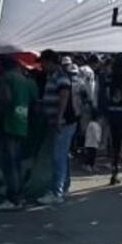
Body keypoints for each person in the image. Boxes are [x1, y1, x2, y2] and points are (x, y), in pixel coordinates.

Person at [0, 56, 33, 211]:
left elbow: (5, 99)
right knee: (17, 162)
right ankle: (19, 196)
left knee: (9, 163)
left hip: (7, 124)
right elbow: (34, 101)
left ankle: (12, 197)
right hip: (21, 123)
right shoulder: (25, 80)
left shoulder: (7, 78)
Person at [37, 50, 75, 205]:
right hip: (57, 121)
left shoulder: (60, 75)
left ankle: (56, 192)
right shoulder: (52, 76)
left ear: (50, 62)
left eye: (43, 62)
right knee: (62, 155)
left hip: (64, 122)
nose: (42, 66)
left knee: (58, 156)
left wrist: (59, 117)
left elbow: (64, 95)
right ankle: (62, 186)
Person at [82, 108, 101, 173]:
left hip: (90, 143)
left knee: (92, 155)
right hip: (92, 143)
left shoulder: (90, 124)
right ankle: (87, 165)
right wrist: (99, 140)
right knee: (91, 155)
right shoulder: (94, 125)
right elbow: (96, 134)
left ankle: (92, 165)